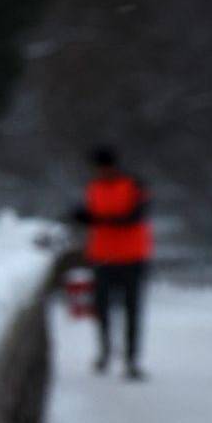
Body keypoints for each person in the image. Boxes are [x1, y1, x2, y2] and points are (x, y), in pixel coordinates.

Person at [73, 146, 151, 379]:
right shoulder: (93, 188)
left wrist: (100, 219)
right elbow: (91, 215)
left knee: (132, 309)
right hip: (102, 256)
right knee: (102, 308)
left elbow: (136, 215)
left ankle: (131, 359)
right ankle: (105, 352)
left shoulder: (134, 185)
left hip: (132, 257)